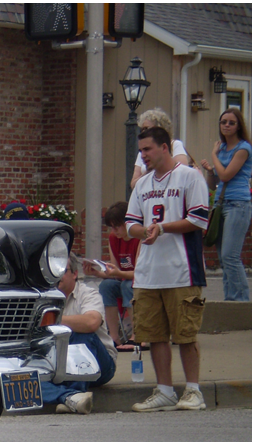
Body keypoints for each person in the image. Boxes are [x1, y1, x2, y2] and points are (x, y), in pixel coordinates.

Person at [125, 126, 210, 412]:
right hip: (148, 274)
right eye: (141, 150)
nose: (143, 155)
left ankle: (194, 390)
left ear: (165, 147)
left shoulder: (190, 177)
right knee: (155, 334)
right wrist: (144, 232)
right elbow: (130, 224)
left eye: (147, 149)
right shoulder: (143, 185)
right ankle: (164, 390)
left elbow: (199, 219)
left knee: (185, 334)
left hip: (182, 269)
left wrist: (162, 228)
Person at [41, 253, 117, 414]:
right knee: (22, 377)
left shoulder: (88, 293)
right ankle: (71, 397)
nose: (56, 275)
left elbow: (91, 322)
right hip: (57, 365)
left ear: (75, 274)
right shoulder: (44, 297)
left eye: (62, 270)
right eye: (52, 271)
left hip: (100, 364)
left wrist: (52, 319)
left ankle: (73, 390)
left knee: (81, 334)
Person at [201, 108, 252, 302]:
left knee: (231, 256)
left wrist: (213, 155)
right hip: (221, 204)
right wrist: (209, 171)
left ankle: (241, 302)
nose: (227, 126)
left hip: (238, 204)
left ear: (239, 125)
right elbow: (214, 184)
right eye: (224, 122)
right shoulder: (223, 149)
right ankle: (230, 300)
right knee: (223, 258)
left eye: (231, 122)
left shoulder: (243, 148)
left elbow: (226, 175)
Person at [82, 201, 141, 350]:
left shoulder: (139, 238)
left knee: (128, 285)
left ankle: (137, 335)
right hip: (123, 278)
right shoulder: (114, 239)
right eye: (111, 227)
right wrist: (97, 273)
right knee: (107, 286)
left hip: (140, 282)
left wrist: (118, 273)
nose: (114, 231)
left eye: (117, 226)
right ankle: (114, 336)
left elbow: (141, 273)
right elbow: (115, 272)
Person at [129, 108, 189, 190]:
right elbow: (133, 185)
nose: (143, 132)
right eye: (142, 129)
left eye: (147, 128)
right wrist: (148, 171)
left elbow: (182, 172)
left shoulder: (175, 145)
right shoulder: (142, 153)